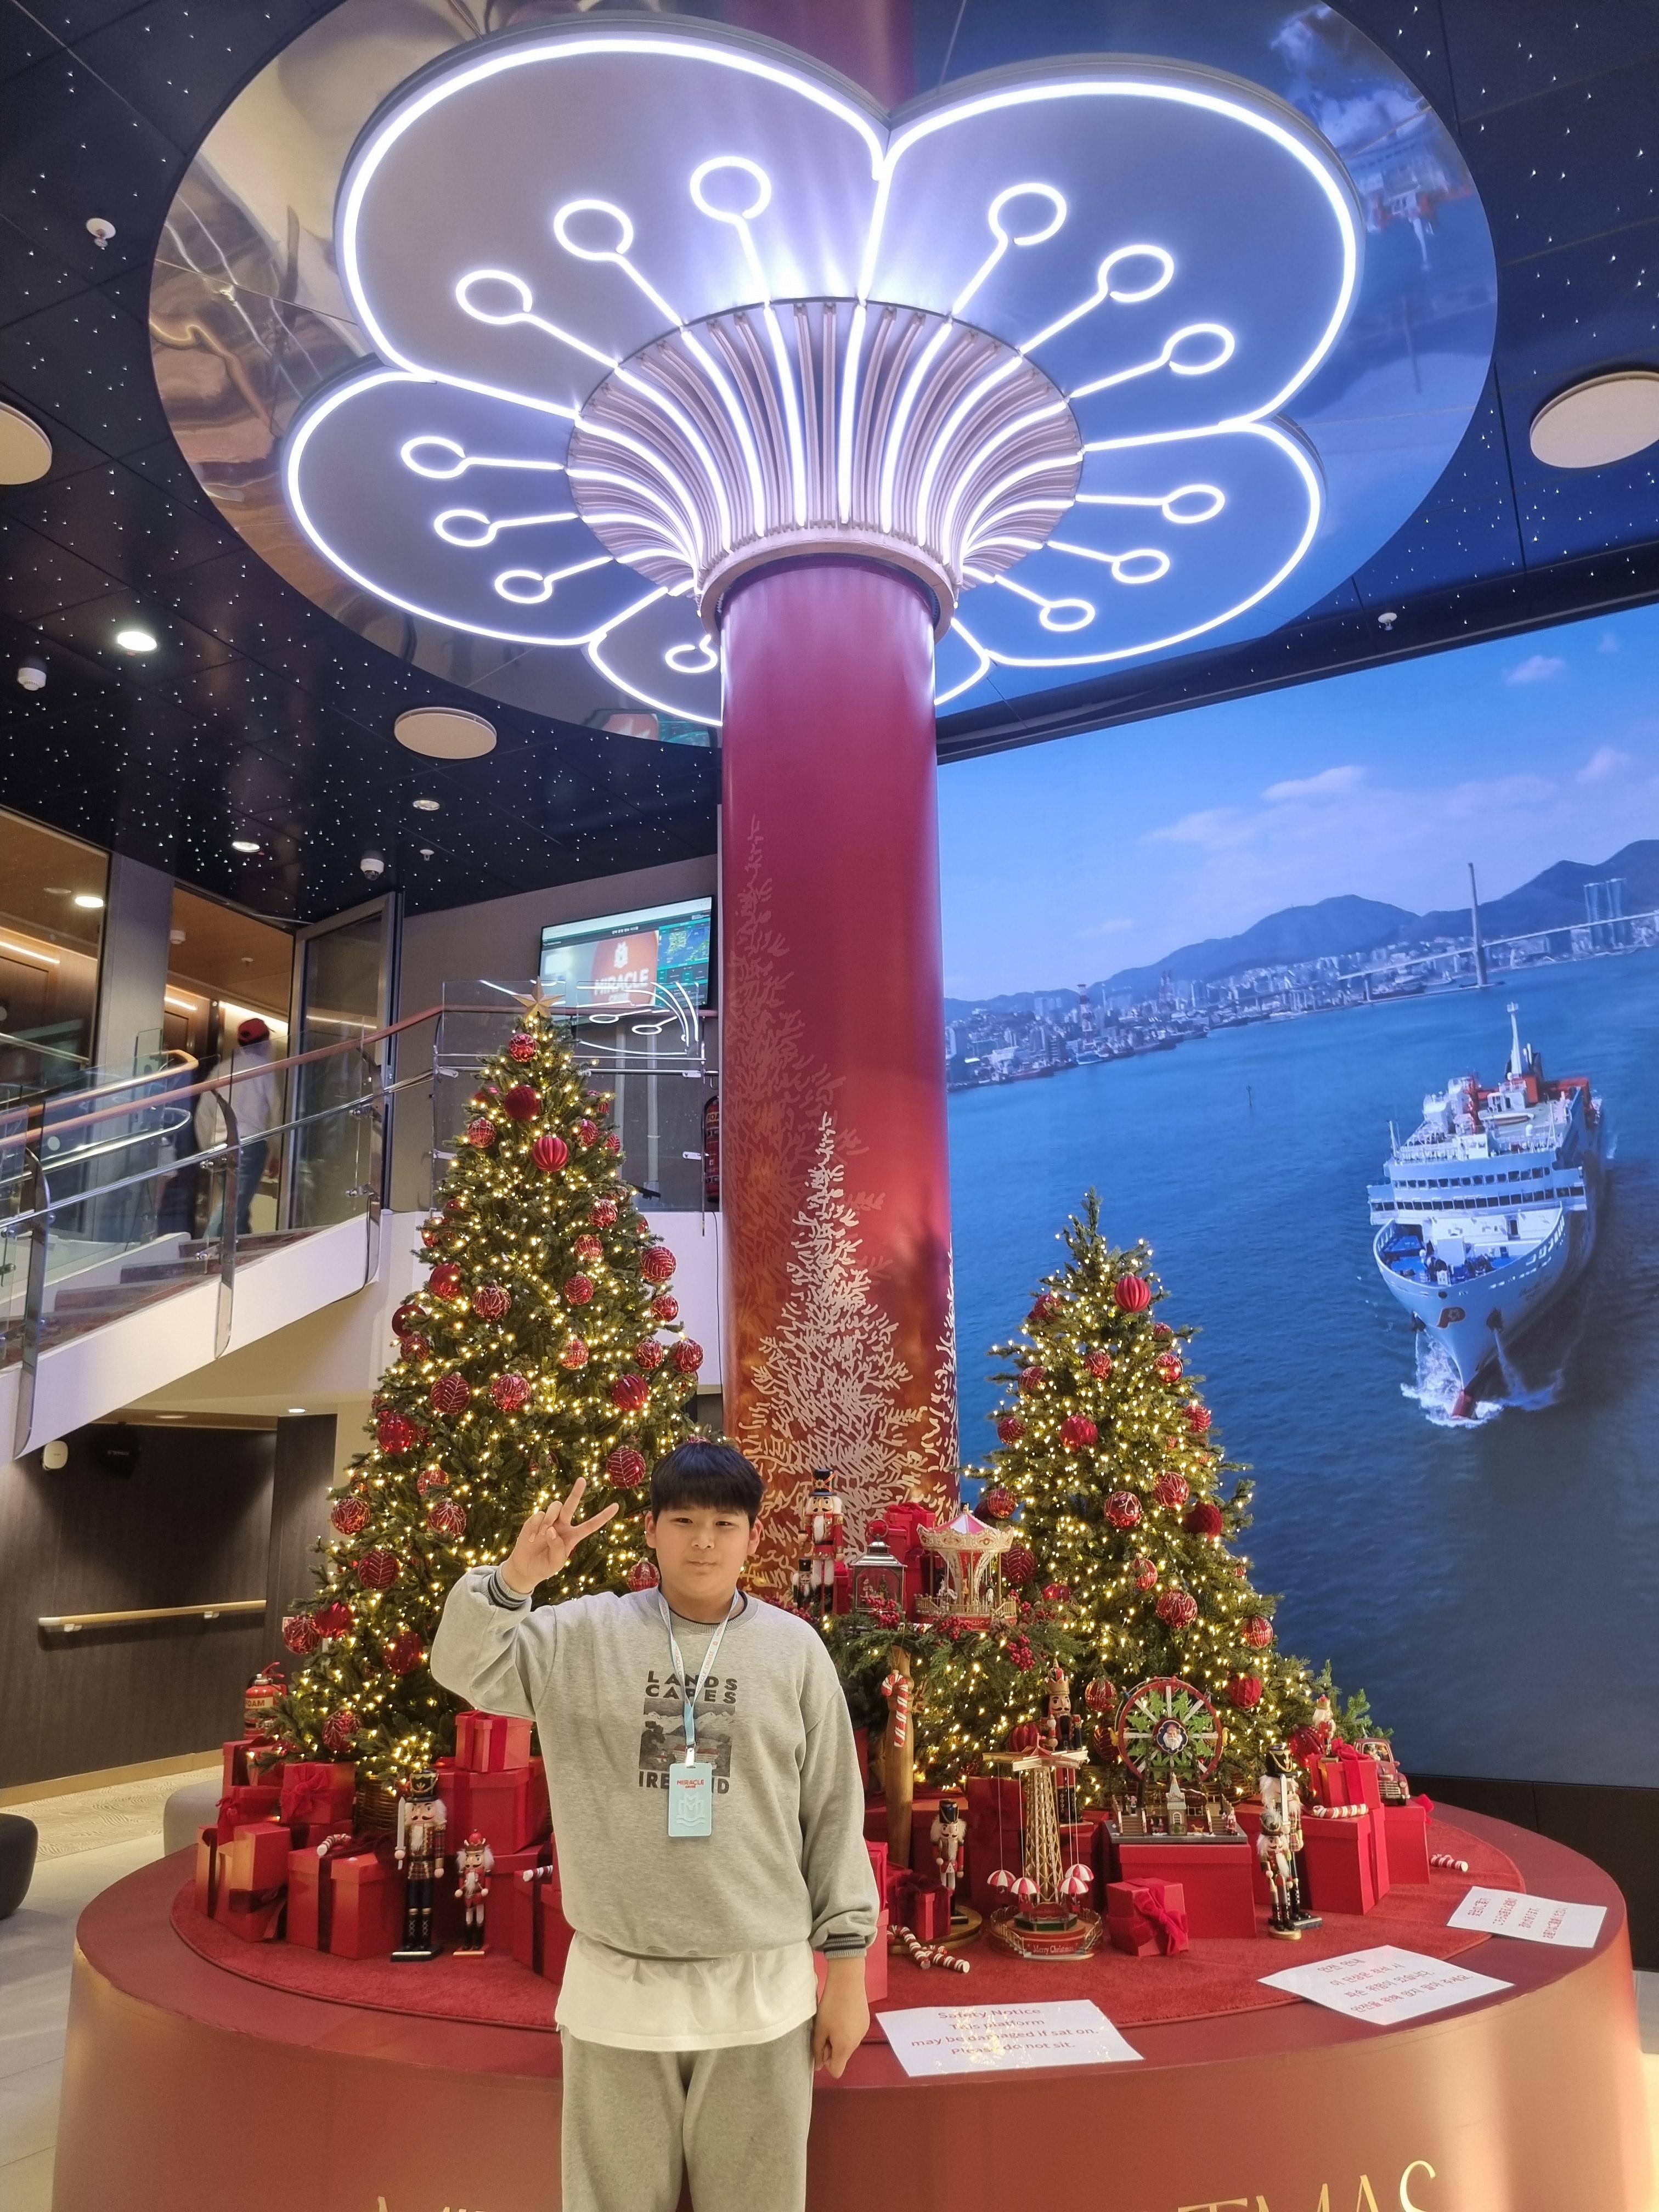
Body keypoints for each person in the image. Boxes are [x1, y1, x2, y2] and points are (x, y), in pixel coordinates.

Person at [430, 1439, 878, 2212]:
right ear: (651, 1530)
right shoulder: (582, 1636)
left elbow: (834, 1808)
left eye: (724, 1524)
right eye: (684, 1521)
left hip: (761, 1992)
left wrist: (847, 1972)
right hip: (619, 1990)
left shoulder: (794, 1650)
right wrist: (513, 1582)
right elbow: (463, 1667)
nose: (704, 1542)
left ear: (752, 1537)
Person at [195, 1015, 281, 1236]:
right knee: (233, 1204)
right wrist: (276, 1150)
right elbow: (276, 1111)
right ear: (266, 1041)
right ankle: (203, 1248)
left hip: (219, 1145)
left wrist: (207, 1148)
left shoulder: (222, 1069)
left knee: (236, 1205)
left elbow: (204, 1113)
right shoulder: (264, 1069)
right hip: (250, 1144)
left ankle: (241, 1245)